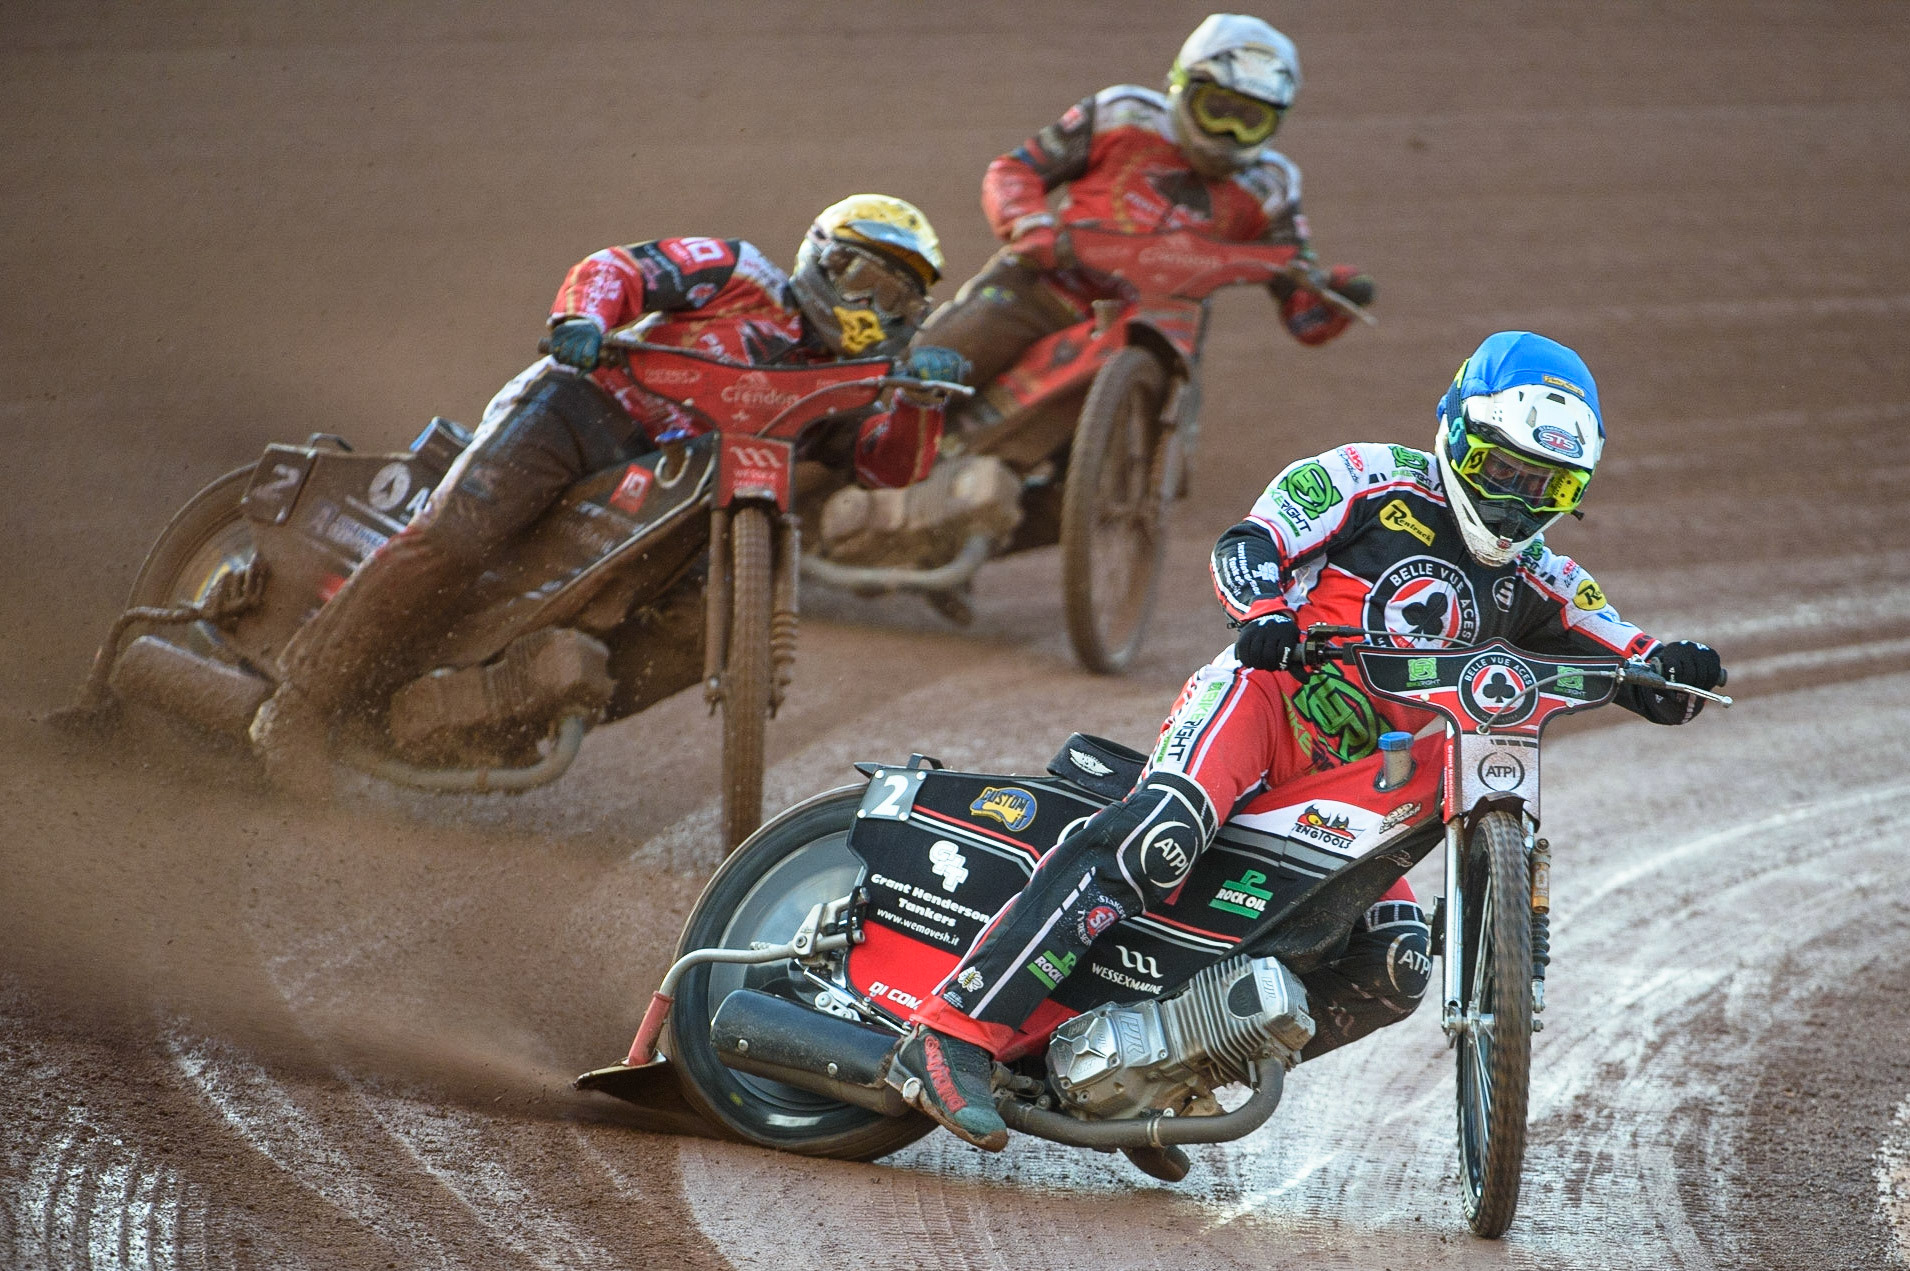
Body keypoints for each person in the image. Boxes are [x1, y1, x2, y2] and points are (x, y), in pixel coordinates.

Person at [887, 331, 1727, 1151]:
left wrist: (1671, 669)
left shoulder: (1543, 576)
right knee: (1160, 838)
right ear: (1456, 431)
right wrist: (1266, 614)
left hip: (1373, 775)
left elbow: (1626, 645)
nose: (1513, 502)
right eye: (1499, 470)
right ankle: (950, 1029)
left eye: (1543, 487)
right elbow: (1249, 543)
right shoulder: (1367, 477)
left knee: (1395, 961)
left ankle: (1165, 1072)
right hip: (1264, 704)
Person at [250, 195, 968, 789]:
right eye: (861, 278)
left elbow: (885, 466)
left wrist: (923, 403)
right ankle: (298, 705)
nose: (872, 306)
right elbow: (618, 269)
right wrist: (584, 320)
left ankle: (503, 713)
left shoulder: (845, 386)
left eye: (896, 297)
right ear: (821, 258)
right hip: (584, 410)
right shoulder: (741, 273)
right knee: (458, 537)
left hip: (683, 503)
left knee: (702, 631)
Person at [911, 12, 1373, 409]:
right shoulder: (1121, 114)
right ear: (1181, 86)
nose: (1229, 133)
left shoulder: (1272, 186)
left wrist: (1334, 297)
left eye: (1250, 120)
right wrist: (1031, 225)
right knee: (925, 370)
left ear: (1277, 122)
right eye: (1218, 110)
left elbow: (1299, 304)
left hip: (1160, 330)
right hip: (1046, 287)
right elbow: (1016, 170)